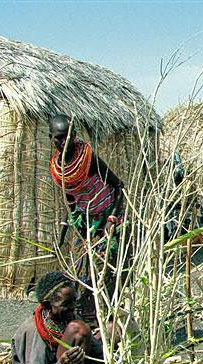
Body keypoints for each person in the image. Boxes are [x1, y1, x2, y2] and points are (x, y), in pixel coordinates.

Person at [49, 114, 124, 323]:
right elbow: (70, 203)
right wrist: (62, 234)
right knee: (79, 267)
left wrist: (112, 220)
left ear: (74, 136)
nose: (64, 142)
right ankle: (87, 317)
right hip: (85, 221)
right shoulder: (59, 169)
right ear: (51, 138)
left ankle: (107, 316)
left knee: (103, 266)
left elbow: (119, 186)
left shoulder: (89, 160)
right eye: (58, 138)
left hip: (107, 216)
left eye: (68, 136)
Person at [10, 272, 103, 364]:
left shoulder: (65, 316)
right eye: (66, 304)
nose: (74, 307)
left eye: (74, 301)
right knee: (77, 330)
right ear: (47, 305)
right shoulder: (35, 332)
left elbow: (97, 352)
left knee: (111, 330)